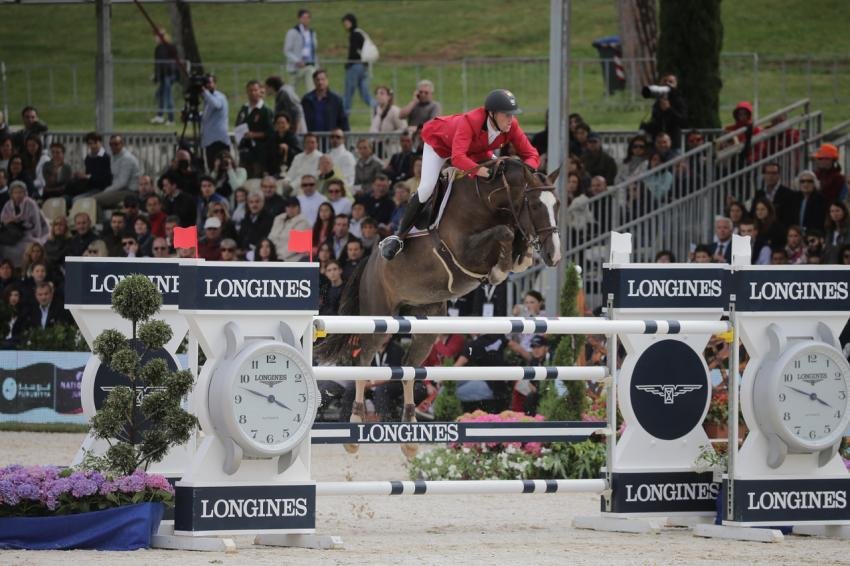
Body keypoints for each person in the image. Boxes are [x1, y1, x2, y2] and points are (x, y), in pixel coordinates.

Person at [380, 89, 539, 260]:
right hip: (440, 146)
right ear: (492, 114)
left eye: (512, 114)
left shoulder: (511, 126)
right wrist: (485, 172)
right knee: (426, 188)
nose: (511, 119)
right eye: (506, 115)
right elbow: (457, 158)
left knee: (502, 175)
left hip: (474, 149)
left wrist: (526, 171)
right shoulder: (470, 121)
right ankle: (398, 236)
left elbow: (532, 155)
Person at [236, 80, 275, 179]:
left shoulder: (265, 110)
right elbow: (238, 124)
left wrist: (254, 135)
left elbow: (271, 132)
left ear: (260, 91)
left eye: (255, 90)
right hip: (245, 151)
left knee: (257, 178)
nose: (253, 93)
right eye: (250, 90)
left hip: (259, 152)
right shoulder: (244, 109)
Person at [640, 73, 687, 150]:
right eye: (665, 81)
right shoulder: (657, 103)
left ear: (676, 85)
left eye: (670, 82)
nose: (667, 84)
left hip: (673, 146)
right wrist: (646, 126)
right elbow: (657, 122)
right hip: (657, 146)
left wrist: (669, 109)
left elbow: (683, 121)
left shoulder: (679, 100)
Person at [93, 135, 140, 209]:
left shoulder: (127, 159)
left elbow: (122, 183)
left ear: (122, 144)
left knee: (94, 200)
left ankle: (100, 217)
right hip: (119, 189)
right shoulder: (114, 155)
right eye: (111, 144)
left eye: (116, 144)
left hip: (129, 191)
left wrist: (107, 190)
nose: (113, 146)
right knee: (92, 198)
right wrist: (95, 148)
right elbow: (101, 153)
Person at [341, 13, 374, 116]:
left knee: (348, 94)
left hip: (354, 66)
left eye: (347, 22)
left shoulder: (354, 34)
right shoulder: (360, 33)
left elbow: (353, 52)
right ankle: (380, 107)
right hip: (363, 67)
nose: (345, 25)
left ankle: (344, 117)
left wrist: (348, 63)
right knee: (365, 94)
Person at [283, 8, 318, 95]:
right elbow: (287, 51)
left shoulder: (312, 33)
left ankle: (311, 100)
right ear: (299, 19)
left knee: (311, 77)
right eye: (303, 18)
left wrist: (317, 65)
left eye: (308, 18)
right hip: (295, 67)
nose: (306, 20)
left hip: (308, 65)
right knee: (291, 92)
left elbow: (313, 51)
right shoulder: (292, 32)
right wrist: (297, 61)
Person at [200, 74, 231, 172]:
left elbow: (216, 105)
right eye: (206, 83)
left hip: (219, 140)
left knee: (223, 169)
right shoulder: (208, 99)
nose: (208, 85)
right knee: (212, 169)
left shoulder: (219, 97)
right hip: (210, 141)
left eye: (210, 82)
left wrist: (204, 92)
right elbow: (205, 116)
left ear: (215, 84)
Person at [750, 162, 795, 228]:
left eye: (774, 173)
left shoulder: (789, 193)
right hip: (761, 229)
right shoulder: (759, 193)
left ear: (779, 175)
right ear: (764, 175)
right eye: (768, 173)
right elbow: (753, 212)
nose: (770, 176)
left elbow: (790, 216)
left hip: (780, 230)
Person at [69, 132, 111, 199]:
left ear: (100, 142)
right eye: (90, 143)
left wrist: (87, 176)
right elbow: (88, 173)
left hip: (101, 188)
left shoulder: (106, 158)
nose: (93, 146)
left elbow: (104, 178)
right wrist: (81, 175)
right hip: (89, 187)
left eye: (95, 143)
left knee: (76, 199)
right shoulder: (88, 157)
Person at [150, 28, 179, 125]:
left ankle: (171, 119)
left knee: (168, 96)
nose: (155, 38)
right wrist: (156, 75)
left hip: (168, 75)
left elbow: (166, 62)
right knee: (159, 94)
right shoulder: (159, 48)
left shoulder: (168, 47)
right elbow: (158, 64)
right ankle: (160, 116)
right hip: (163, 75)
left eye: (157, 36)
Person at [268, 196, 310, 261]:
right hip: (272, 256)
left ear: (299, 208)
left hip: (292, 259)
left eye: (293, 207)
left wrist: (276, 255)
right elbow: (271, 237)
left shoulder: (304, 223)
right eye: (288, 207)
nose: (290, 209)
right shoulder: (278, 219)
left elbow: (297, 247)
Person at [791, 169, 827, 235]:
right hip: (795, 236)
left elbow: (819, 222)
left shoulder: (820, 200)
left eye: (809, 181)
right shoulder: (793, 198)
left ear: (814, 183)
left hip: (813, 235)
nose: (806, 184)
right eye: (802, 181)